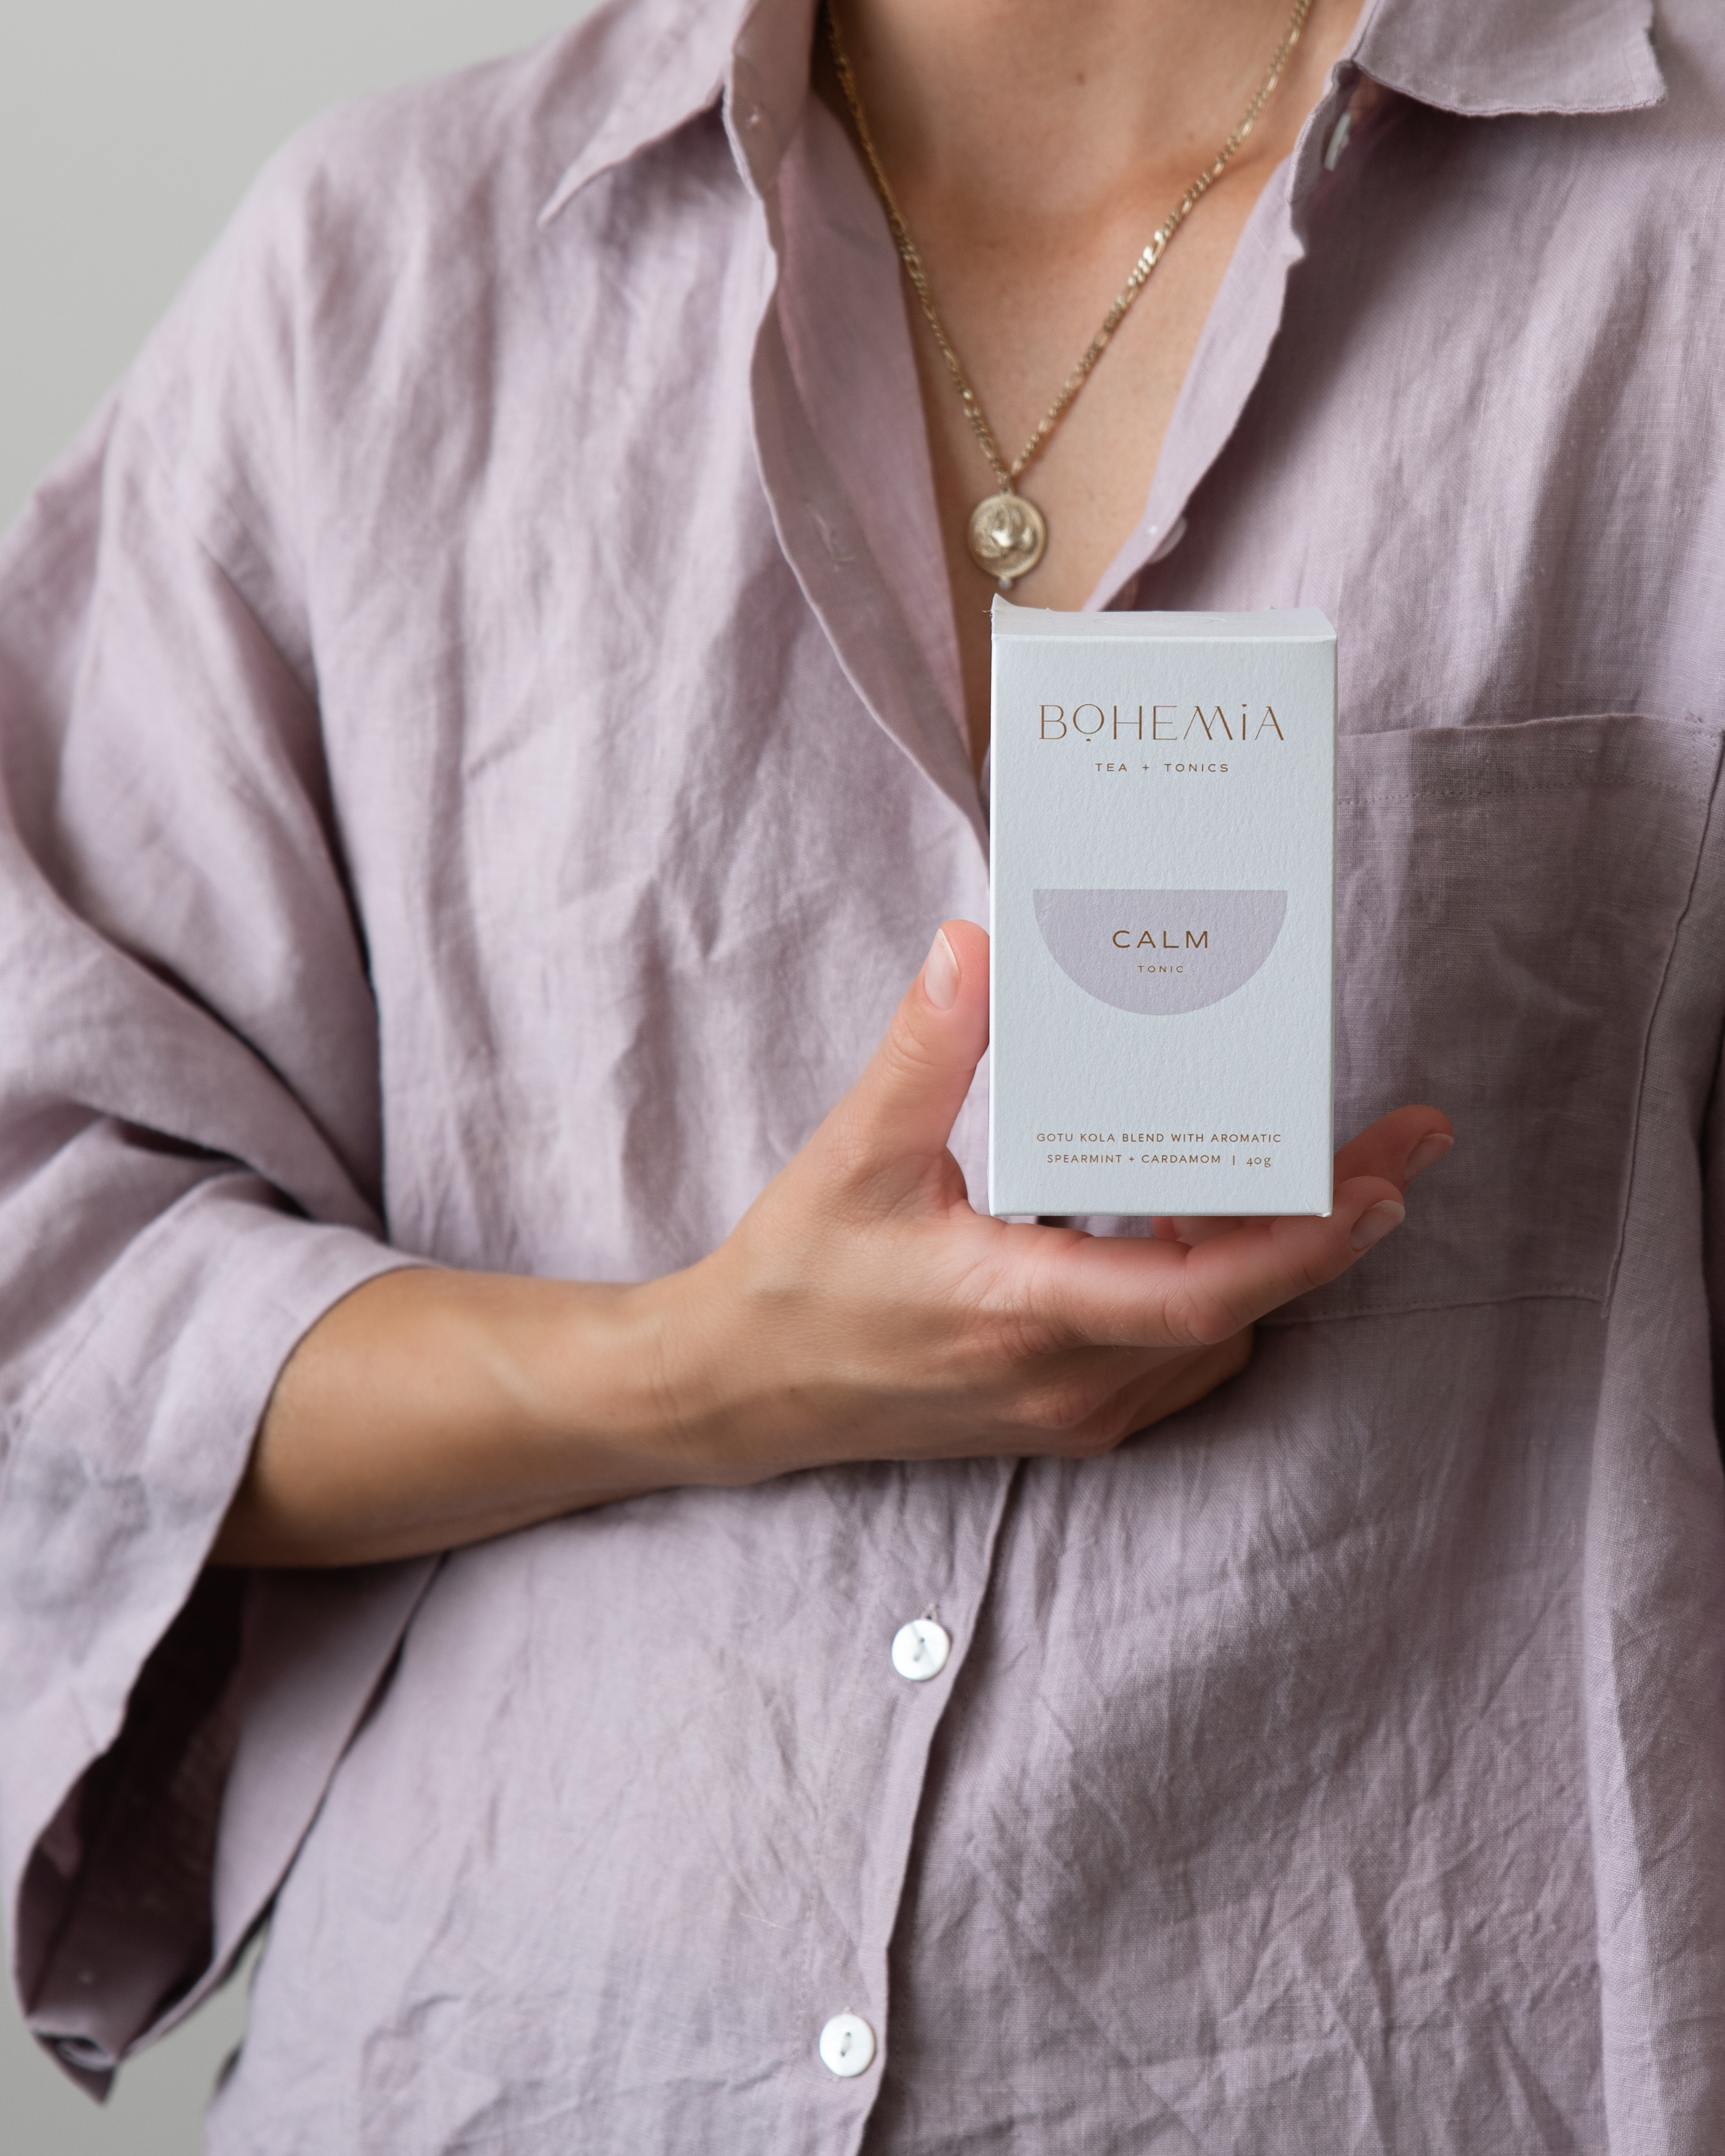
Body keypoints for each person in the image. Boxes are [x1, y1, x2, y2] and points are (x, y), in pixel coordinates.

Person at [1, 0, 1721, 2144]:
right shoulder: (381, 272)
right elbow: (48, 1293)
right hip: (507, 2072)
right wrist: (698, 1372)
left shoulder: (1680, 239)